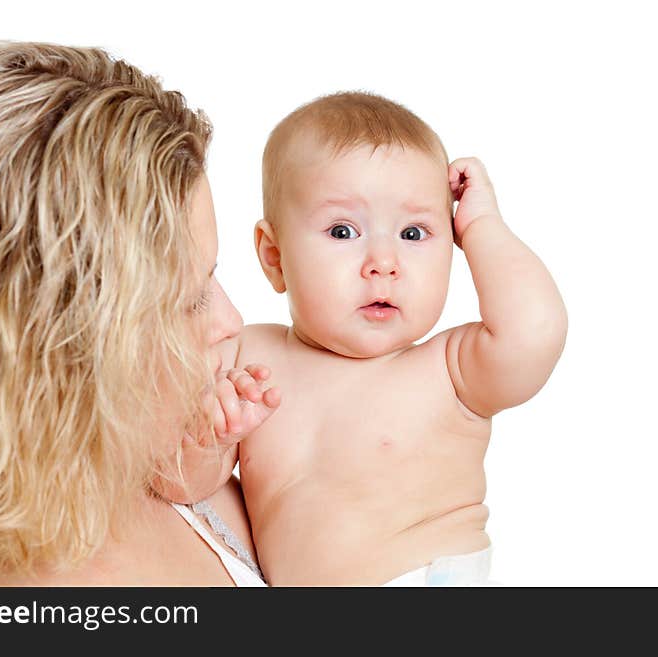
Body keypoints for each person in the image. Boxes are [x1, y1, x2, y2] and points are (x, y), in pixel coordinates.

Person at [0, 41, 278, 586]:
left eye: (213, 275)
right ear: (59, 346)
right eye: (189, 299)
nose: (231, 320)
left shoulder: (201, 483)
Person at [221, 92, 568, 585]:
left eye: (413, 233)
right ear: (274, 256)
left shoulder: (450, 370)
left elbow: (535, 330)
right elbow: (181, 481)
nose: (383, 262)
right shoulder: (245, 356)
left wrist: (482, 227)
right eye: (343, 231)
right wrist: (207, 440)